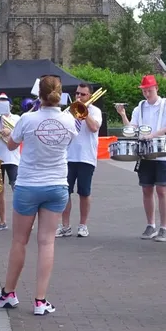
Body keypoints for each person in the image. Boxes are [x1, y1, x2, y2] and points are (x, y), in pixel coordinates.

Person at [0, 75, 78, 315]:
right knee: (47, 242)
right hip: (57, 185)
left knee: (20, 241)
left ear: (38, 95)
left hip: (28, 184)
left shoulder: (26, 119)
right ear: (60, 95)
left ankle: (8, 293)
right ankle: (40, 301)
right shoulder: (70, 120)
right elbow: (70, 141)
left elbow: (10, 146)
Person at [116, 75, 166, 242]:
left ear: (156, 88)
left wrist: (153, 135)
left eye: (149, 90)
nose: (146, 93)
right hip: (145, 153)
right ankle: (150, 225)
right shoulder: (140, 107)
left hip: (164, 153)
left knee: (162, 190)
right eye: (144, 90)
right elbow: (132, 129)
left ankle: (164, 228)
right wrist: (123, 115)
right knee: (146, 189)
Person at [57, 83, 101, 238]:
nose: (79, 97)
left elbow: (94, 128)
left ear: (90, 96)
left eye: (83, 94)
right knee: (65, 192)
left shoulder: (95, 111)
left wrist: (84, 112)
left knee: (84, 192)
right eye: (77, 94)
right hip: (68, 156)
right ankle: (65, 226)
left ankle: (83, 225)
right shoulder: (69, 111)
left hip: (86, 157)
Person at [0, 93, 21, 231]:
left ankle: (22, 220)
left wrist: (10, 132)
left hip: (12, 158)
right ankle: (2, 221)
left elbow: (20, 137)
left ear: (10, 105)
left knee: (17, 189)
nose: (1, 104)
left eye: (4, 102)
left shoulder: (17, 118)